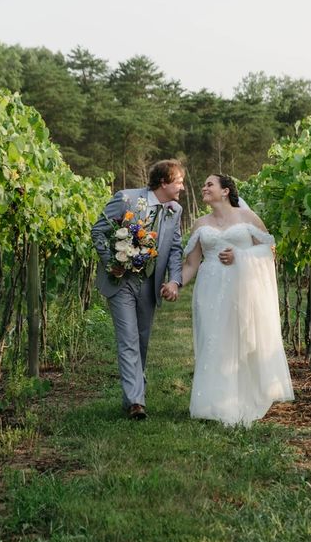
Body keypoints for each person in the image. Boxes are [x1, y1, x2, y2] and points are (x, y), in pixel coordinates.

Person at [182, 174, 294, 426]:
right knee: (214, 339)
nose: (204, 188)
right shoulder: (200, 223)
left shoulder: (248, 218)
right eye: (204, 184)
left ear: (226, 190)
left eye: (209, 184)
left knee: (239, 338)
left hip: (242, 288)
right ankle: (215, 401)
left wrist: (241, 256)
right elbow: (191, 263)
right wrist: (174, 284)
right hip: (209, 288)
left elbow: (269, 251)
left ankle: (243, 397)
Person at [91, 159, 185, 419]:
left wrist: (174, 280)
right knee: (128, 338)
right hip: (120, 281)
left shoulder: (174, 211)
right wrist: (112, 263)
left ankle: (132, 395)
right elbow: (98, 231)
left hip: (150, 282)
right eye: (179, 182)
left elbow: (175, 248)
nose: (182, 187)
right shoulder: (126, 199)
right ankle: (136, 402)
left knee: (141, 339)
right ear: (164, 182)